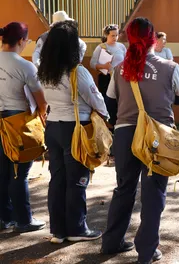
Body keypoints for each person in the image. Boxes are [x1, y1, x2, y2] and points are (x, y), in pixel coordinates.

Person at [101, 17, 179, 264]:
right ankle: (147, 251)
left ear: (128, 38)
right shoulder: (171, 67)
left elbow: (111, 102)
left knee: (124, 188)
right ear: (152, 39)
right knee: (154, 192)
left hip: (127, 133)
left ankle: (112, 241)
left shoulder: (119, 68)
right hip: (158, 135)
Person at [37, 21, 109, 244]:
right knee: (77, 179)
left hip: (53, 127)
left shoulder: (45, 71)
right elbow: (95, 98)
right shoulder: (77, 72)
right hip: (75, 129)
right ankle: (77, 228)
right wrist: (106, 116)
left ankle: (57, 230)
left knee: (57, 179)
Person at [0, 22, 47, 233]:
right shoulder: (25, 66)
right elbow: (41, 101)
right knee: (19, 172)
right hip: (18, 122)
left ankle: (4, 217)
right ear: (21, 41)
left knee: (1, 172)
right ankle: (24, 220)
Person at [90, 24, 127, 129]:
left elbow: (126, 60)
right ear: (106, 35)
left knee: (120, 101)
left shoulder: (121, 47)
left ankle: (119, 124)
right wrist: (103, 66)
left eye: (116, 35)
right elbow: (92, 63)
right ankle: (108, 125)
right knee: (107, 102)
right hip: (106, 77)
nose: (115, 38)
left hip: (120, 77)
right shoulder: (101, 47)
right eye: (112, 36)